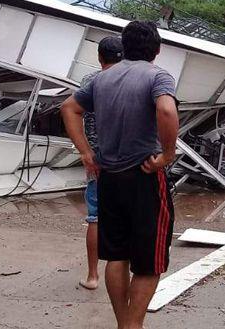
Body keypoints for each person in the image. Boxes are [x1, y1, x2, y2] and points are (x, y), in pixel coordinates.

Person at [61, 21, 178, 329]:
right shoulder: (158, 75)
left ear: (125, 47)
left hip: (109, 177)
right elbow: (166, 110)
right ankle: (132, 325)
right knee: (149, 263)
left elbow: (69, 108)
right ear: (157, 49)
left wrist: (87, 153)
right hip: (144, 176)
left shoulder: (102, 79)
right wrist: (167, 155)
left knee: (117, 256)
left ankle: (123, 323)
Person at [75, 36, 123, 291]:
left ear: (99, 57)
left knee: (95, 217)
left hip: (96, 158)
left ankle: (93, 276)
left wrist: (85, 151)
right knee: (125, 218)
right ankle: (123, 272)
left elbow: (71, 111)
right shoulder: (131, 80)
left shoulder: (90, 81)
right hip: (125, 159)